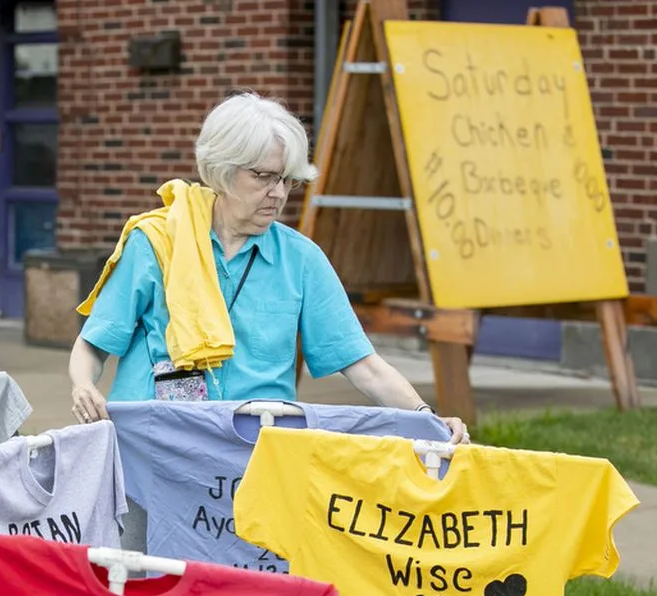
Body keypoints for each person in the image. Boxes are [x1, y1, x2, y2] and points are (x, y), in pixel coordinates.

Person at [68, 90, 469, 442]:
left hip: (253, 451)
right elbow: (96, 341)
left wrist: (425, 417)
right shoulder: (156, 240)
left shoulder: (302, 260)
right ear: (223, 170)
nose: (277, 194)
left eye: (287, 180)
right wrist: (83, 384)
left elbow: (363, 366)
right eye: (263, 177)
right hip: (153, 443)